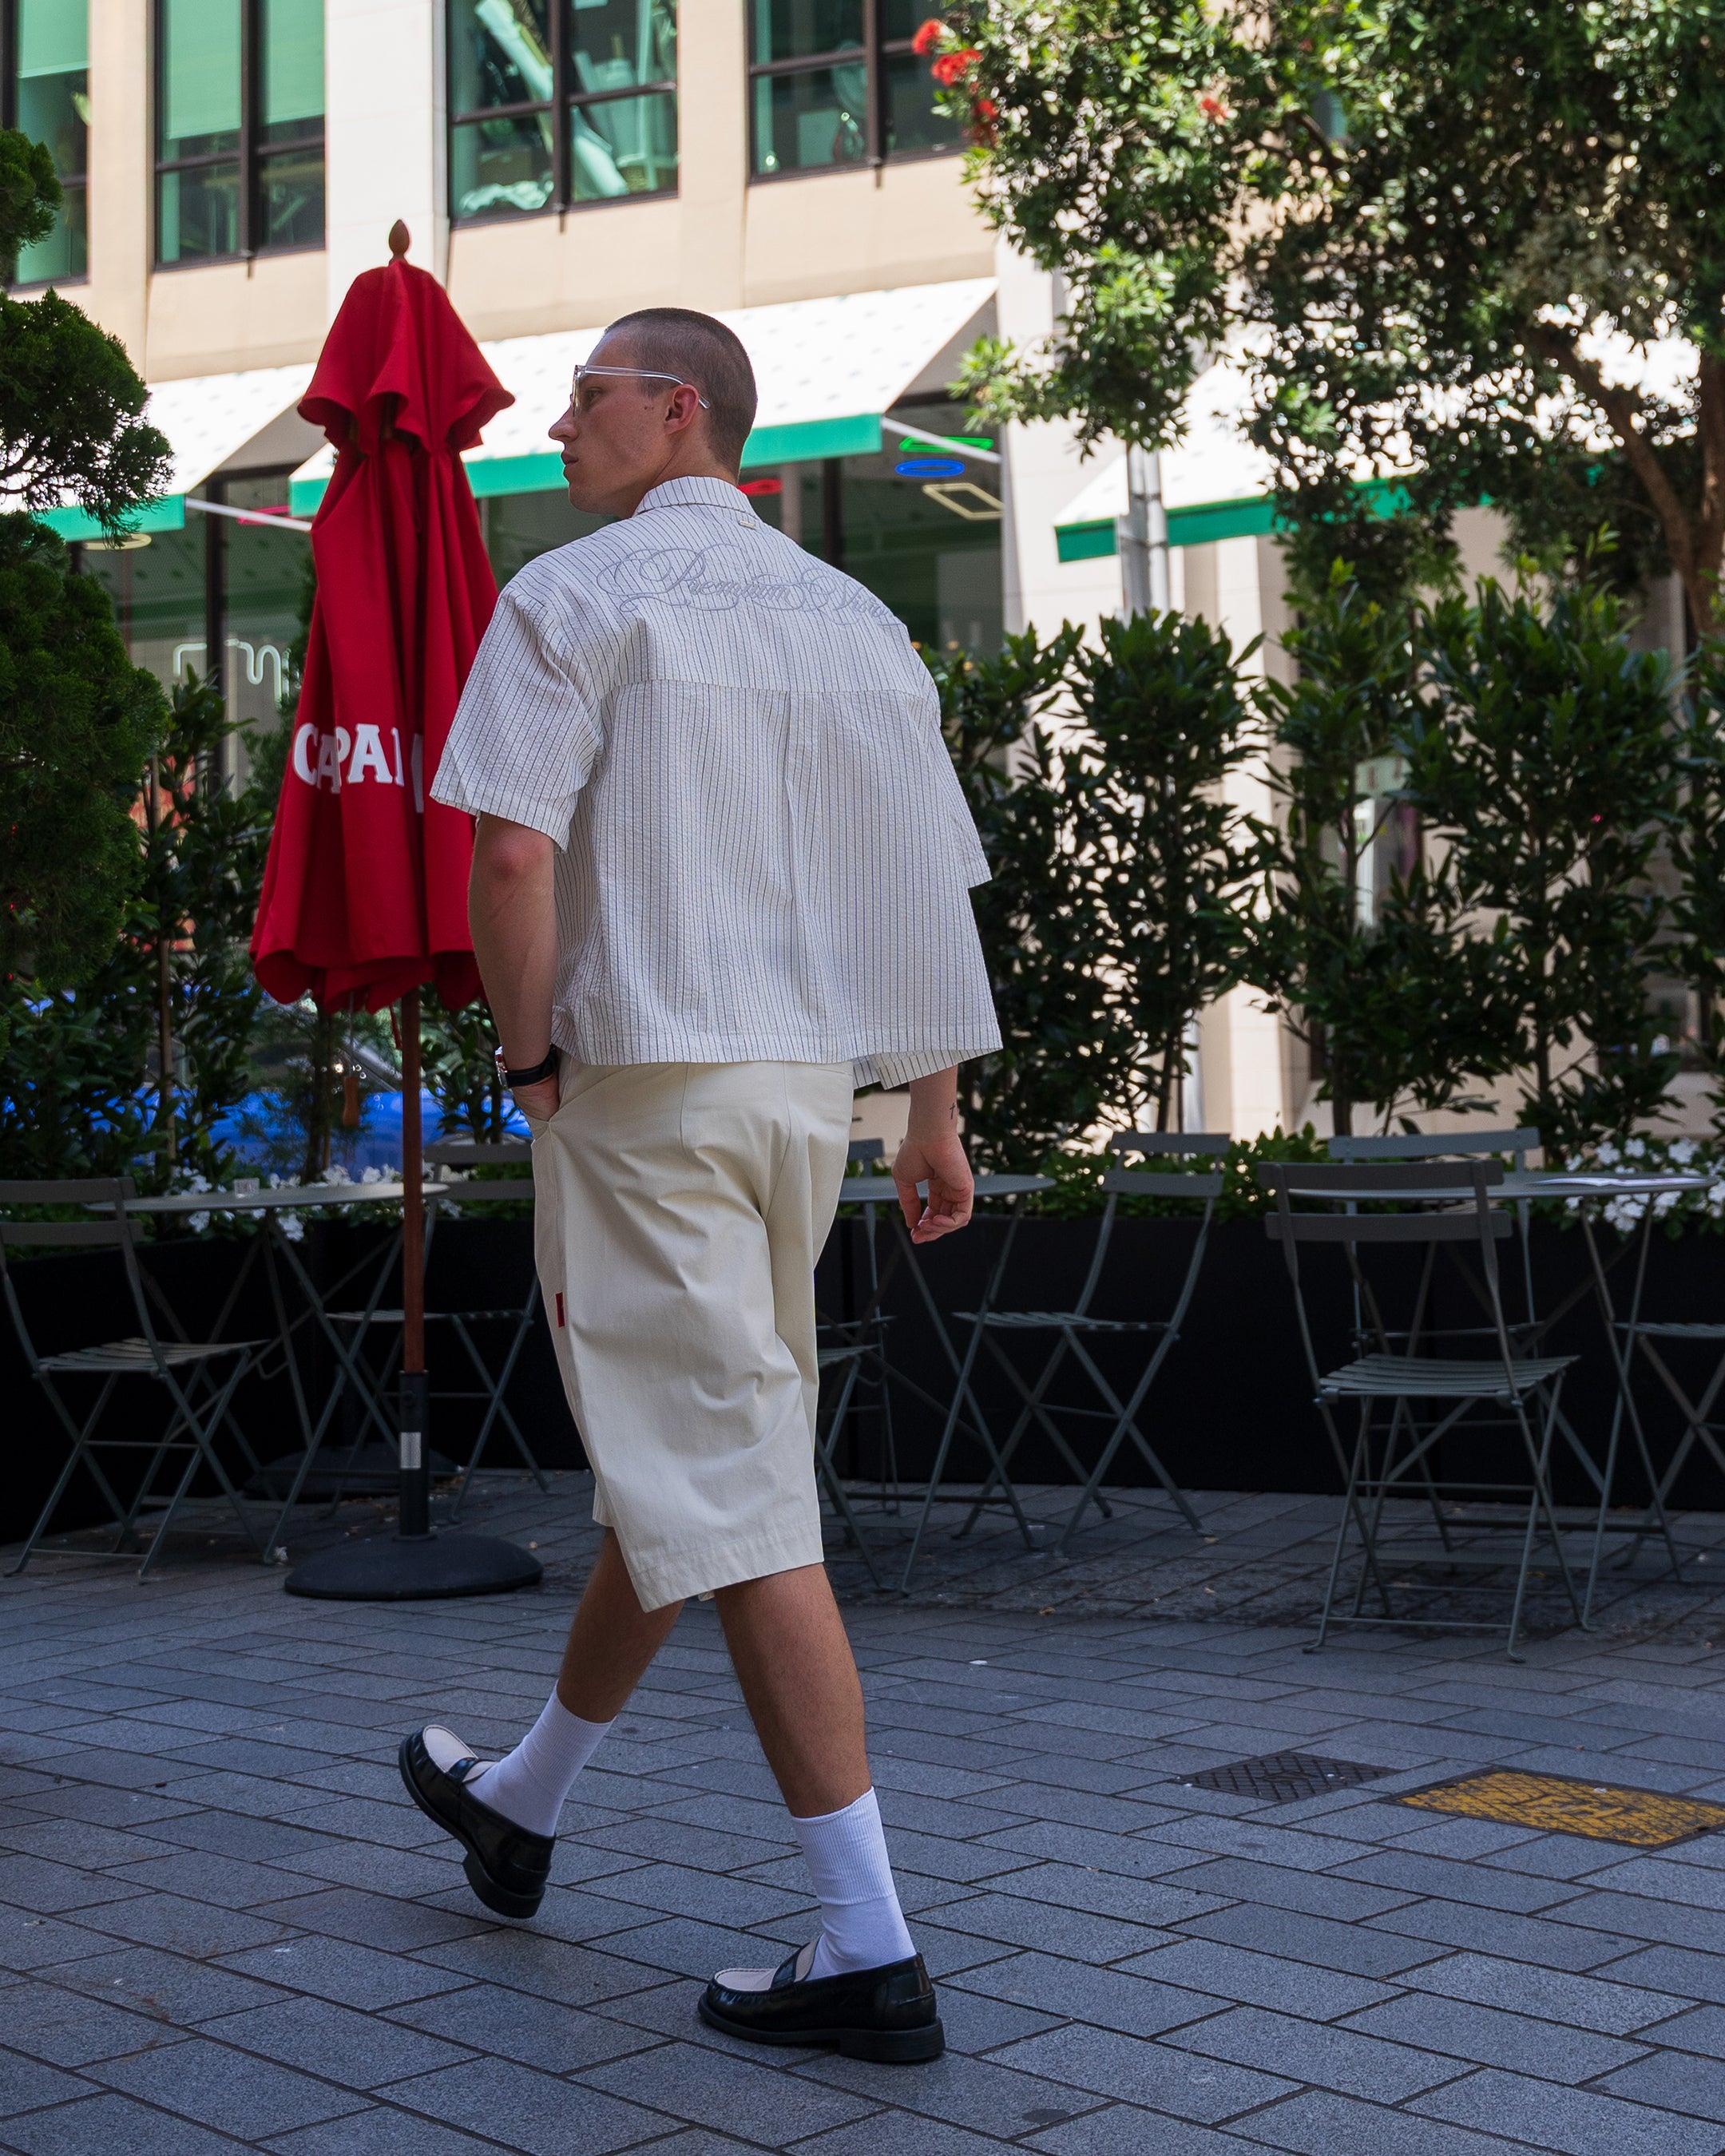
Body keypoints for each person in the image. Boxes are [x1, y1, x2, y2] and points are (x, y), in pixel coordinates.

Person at [400, 306, 1000, 2066]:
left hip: (646, 1086)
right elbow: (922, 884)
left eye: (584, 395)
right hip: (805, 1102)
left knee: (731, 1481)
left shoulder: (572, 598)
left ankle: (871, 1942)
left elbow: (511, 853)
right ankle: (524, 1796)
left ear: (681, 414)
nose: (556, 419)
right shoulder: (861, 616)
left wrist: (526, 1068)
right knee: (708, 1440)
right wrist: (930, 1113)